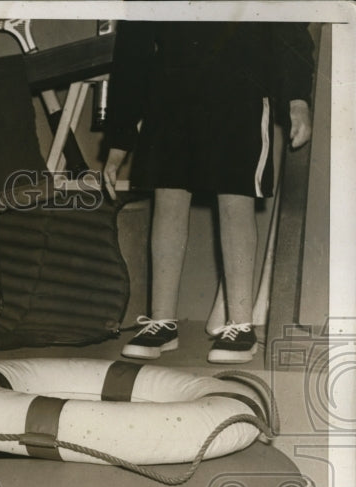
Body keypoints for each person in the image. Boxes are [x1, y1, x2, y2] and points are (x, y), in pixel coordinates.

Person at [102, 21, 314, 363]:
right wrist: (119, 139)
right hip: (171, 90)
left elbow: (287, 29)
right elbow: (133, 50)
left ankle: (241, 325)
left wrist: (297, 97)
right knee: (168, 196)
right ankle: (162, 322)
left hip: (241, 86)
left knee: (235, 197)